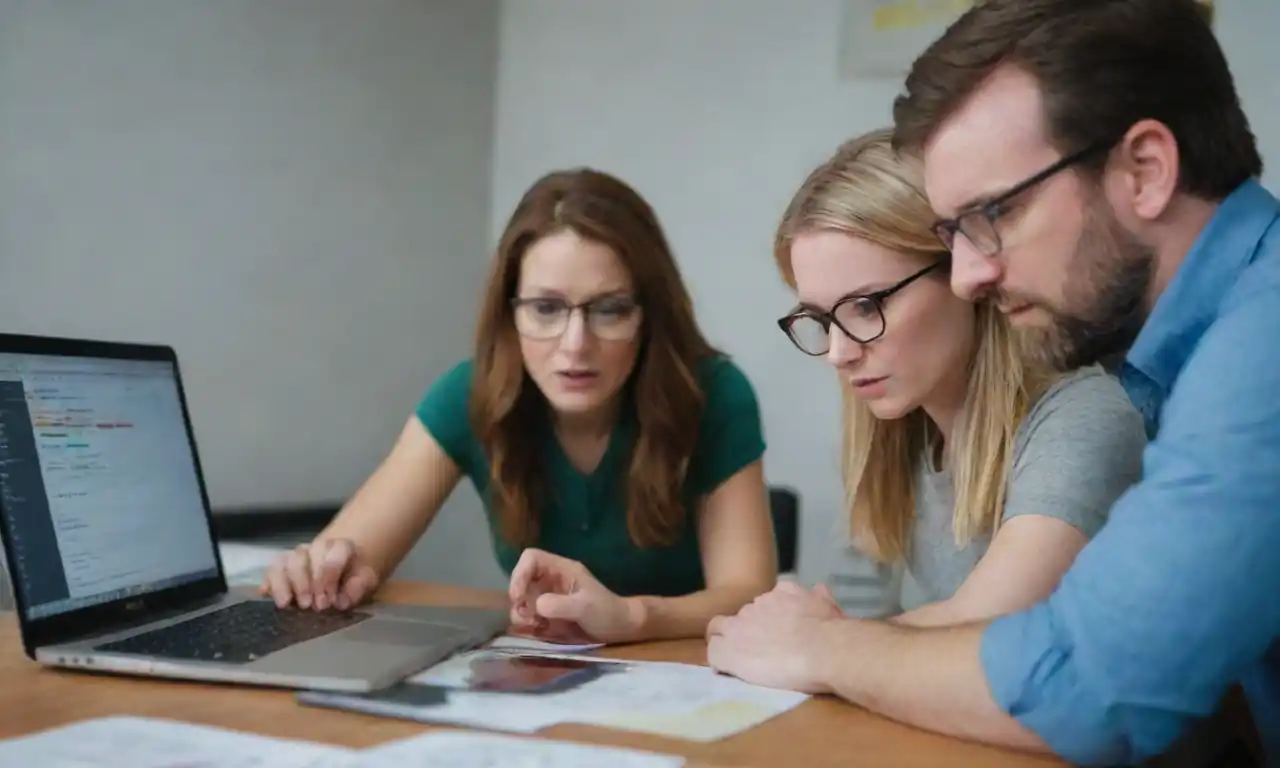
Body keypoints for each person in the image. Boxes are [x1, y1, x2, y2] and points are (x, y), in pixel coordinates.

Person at [706, 0, 1279, 765]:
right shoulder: (1191, 355)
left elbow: (1091, 687)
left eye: (994, 214)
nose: (970, 277)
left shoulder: (1261, 347)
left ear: (1144, 170)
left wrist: (823, 649)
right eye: (954, 234)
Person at [262, 167, 779, 644]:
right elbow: (352, 559)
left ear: (650, 315)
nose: (575, 343)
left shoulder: (712, 393)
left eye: (610, 309)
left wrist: (631, 616)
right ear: (510, 313)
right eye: (547, 308)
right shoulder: (469, 395)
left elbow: (747, 596)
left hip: (682, 672)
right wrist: (319, 569)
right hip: (536, 679)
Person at [770, 128, 1145, 630]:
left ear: (964, 272)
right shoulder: (894, 427)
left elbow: (991, 629)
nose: (838, 353)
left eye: (866, 305)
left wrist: (811, 639)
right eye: (819, 318)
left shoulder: (1085, 415)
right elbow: (859, 621)